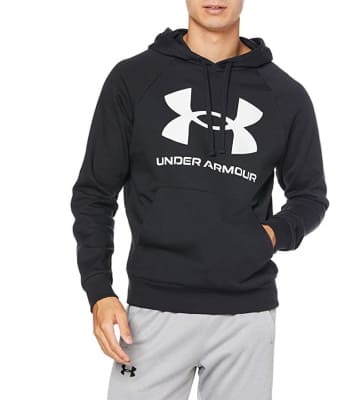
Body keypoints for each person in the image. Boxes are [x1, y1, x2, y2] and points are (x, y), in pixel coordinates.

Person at [70, 1, 329, 398]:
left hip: (246, 316)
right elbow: (94, 193)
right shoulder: (133, 79)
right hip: (152, 312)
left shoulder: (285, 95)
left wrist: (270, 236)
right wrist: (99, 291)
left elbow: (310, 196)